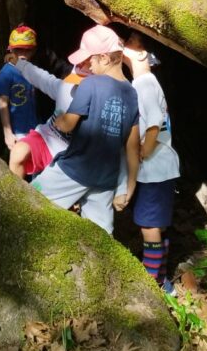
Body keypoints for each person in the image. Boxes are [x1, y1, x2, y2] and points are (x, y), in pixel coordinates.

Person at [33, 25, 140, 234]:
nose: (88, 64)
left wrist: (58, 120)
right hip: (106, 180)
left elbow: (68, 124)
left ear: (105, 58)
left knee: (28, 202)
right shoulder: (132, 94)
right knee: (100, 236)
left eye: (91, 58)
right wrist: (129, 187)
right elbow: (133, 147)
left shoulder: (90, 85)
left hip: (75, 169)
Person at [122, 32, 180, 293]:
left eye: (127, 45)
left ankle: (153, 282)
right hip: (161, 169)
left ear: (142, 54)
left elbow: (154, 125)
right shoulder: (148, 82)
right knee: (156, 225)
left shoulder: (144, 83)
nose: (122, 48)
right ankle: (162, 278)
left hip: (154, 169)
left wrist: (143, 151)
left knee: (149, 226)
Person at [8, 56, 89, 179]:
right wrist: (20, 64)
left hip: (70, 156)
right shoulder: (65, 87)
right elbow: (42, 79)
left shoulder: (100, 103)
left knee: (44, 189)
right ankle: (12, 194)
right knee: (19, 151)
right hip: (46, 138)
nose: (75, 87)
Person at [0, 25, 39, 151]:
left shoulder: (31, 69)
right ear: (11, 50)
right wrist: (8, 133)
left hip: (33, 127)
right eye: (18, 50)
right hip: (18, 131)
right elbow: (3, 104)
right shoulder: (7, 72)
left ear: (34, 50)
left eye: (27, 50)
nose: (23, 55)